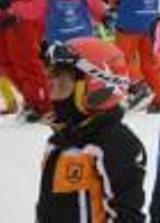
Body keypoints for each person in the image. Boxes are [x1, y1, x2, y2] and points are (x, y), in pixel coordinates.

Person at [37, 38, 146, 222]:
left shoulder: (115, 144)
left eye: (61, 79)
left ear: (95, 85)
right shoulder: (60, 142)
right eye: (51, 77)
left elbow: (127, 216)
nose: (52, 89)